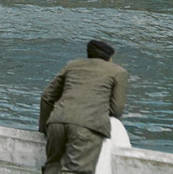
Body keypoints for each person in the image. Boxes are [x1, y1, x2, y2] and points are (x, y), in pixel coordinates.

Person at [39, 40, 128, 174]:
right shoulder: (118, 72)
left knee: (52, 167)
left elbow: (47, 97)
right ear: (110, 58)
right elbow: (117, 109)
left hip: (56, 123)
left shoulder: (72, 65)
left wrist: (44, 127)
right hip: (86, 127)